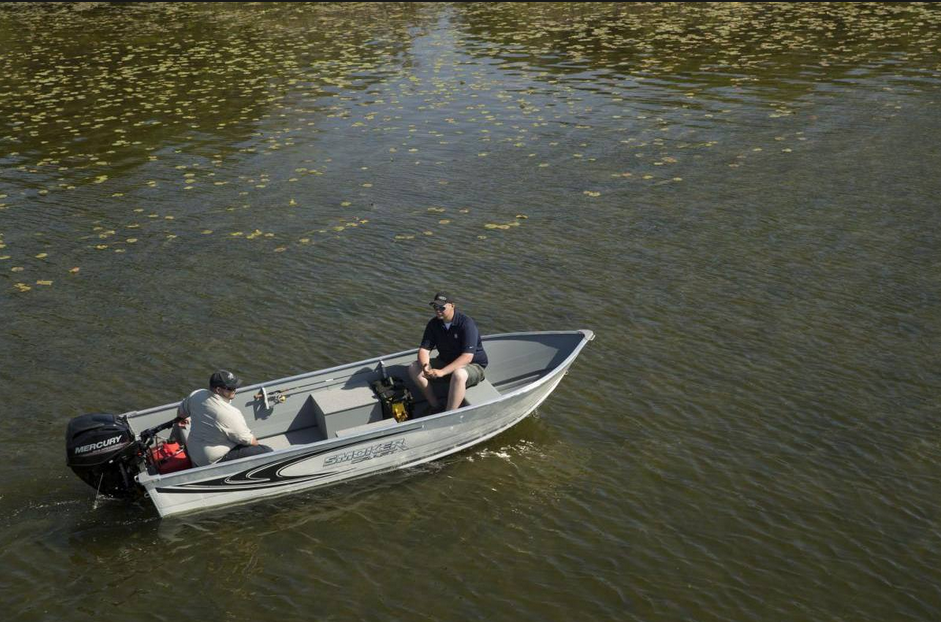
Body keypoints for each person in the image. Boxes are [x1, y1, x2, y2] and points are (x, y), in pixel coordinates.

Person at [408, 292, 488, 415]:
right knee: (414, 368)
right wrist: (426, 366)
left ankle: (449, 414)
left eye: (442, 307)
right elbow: (424, 350)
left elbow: (467, 357)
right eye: (435, 307)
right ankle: (435, 406)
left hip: (473, 365)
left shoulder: (466, 324)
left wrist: (442, 372)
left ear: (452, 306)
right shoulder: (433, 324)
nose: (438, 310)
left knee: (459, 374)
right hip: (446, 361)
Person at [174, 369, 272, 467]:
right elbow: (251, 441)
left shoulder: (197, 394)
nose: (235, 390)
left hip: (193, 451)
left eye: (235, 386)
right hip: (210, 461)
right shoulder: (230, 413)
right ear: (218, 390)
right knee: (266, 451)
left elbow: (181, 413)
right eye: (231, 388)